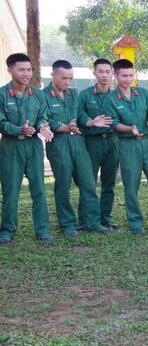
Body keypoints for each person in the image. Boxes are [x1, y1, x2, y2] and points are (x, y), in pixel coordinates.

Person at [103, 59, 148, 234]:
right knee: (131, 185)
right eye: (124, 76)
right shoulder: (110, 99)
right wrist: (129, 129)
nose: (128, 79)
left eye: (131, 75)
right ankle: (135, 224)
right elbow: (113, 124)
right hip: (127, 145)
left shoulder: (142, 93)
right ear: (116, 75)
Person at [43, 60, 107, 238]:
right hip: (58, 143)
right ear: (53, 75)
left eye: (70, 78)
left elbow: (80, 116)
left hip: (78, 141)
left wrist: (90, 122)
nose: (67, 82)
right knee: (63, 185)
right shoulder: (43, 96)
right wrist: (64, 127)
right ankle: (67, 224)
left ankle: (91, 222)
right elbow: (44, 120)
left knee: (88, 182)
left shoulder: (73, 93)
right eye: (64, 78)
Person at [0, 53, 54, 244]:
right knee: (10, 190)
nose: (26, 73)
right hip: (11, 147)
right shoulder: (2, 94)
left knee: (39, 189)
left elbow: (42, 117)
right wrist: (18, 130)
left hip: (33, 146)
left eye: (29, 70)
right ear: (10, 70)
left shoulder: (38, 95)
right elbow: (1, 122)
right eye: (21, 69)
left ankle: (42, 230)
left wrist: (43, 127)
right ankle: (7, 230)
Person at [77, 58, 119, 230]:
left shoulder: (117, 95)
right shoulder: (84, 95)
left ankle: (105, 218)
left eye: (108, 72)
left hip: (112, 142)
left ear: (112, 73)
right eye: (100, 71)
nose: (104, 75)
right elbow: (79, 116)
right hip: (91, 142)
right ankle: (85, 219)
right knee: (88, 182)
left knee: (109, 182)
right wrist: (91, 122)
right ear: (94, 72)